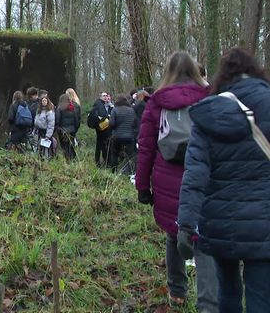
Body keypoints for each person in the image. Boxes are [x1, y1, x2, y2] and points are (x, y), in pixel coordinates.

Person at [178, 47, 270, 313]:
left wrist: (185, 223)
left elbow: (195, 174)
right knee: (261, 296)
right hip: (264, 222)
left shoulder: (208, 112)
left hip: (219, 220)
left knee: (227, 292)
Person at [135, 51, 218, 311]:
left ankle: (177, 292)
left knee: (173, 234)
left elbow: (146, 147)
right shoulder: (209, 99)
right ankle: (208, 300)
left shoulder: (156, 102)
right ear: (195, 71)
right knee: (203, 236)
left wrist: (142, 186)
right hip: (203, 175)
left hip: (165, 177)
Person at [109, 94, 137, 172]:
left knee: (114, 154)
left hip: (117, 136)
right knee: (130, 155)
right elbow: (135, 123)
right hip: (129, 136)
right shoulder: (131, 110)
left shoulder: (115, 110)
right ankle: (128, 172)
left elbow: (111, 123)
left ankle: (113, 171)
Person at [89, 92, 112, 167]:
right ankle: (102, 161)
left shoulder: (98, 104)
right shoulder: (100, 104)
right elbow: (102, 115)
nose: (105, 97)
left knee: (100, 144)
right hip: (102, 128)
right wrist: (107, 116)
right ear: (100, 97)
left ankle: (98, 160)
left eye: (106, 96)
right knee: (102, 144)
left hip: (99, 127)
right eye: (103, 96)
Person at [56, 93, 81, 161]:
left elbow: (57, 120)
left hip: (63, 131)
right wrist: (75, 129)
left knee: (65, 147)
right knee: (71, 146)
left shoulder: (60, 109)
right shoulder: (73, 108)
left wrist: (58, 129)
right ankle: (73, 159)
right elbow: (76, 120)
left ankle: (67, 160)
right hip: (72, 131)